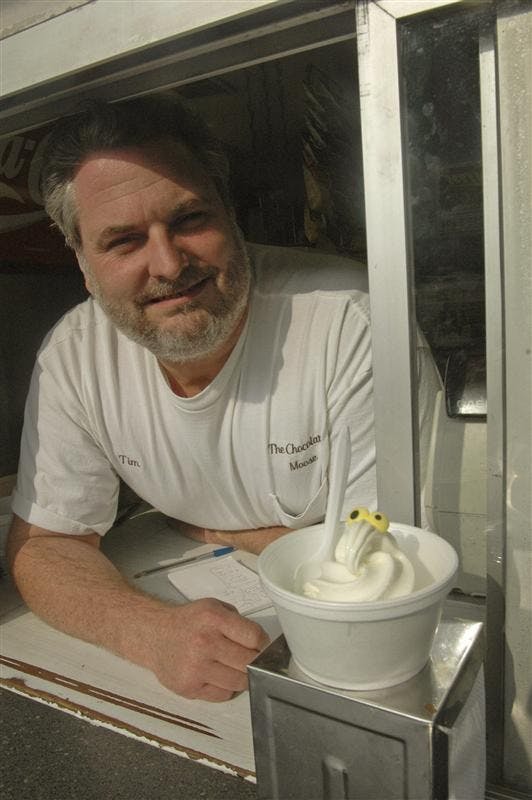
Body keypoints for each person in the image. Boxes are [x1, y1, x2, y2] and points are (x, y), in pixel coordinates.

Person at [7, 93, 440, 702]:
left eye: (188, 220)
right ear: (83, 264)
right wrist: (147, 632)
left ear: (232, 215)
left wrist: (231, 534)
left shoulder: (352, 322)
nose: (167, 264)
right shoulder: (73, 357)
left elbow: (386, 565)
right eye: (124, 241)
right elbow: (46, 546)